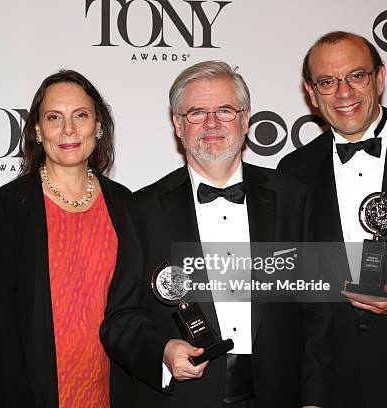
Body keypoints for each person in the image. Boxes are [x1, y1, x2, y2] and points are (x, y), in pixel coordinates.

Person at [100, 61, 329, 408]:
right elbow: (120, 319)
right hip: (184, 399)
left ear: (246, 118)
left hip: (277, 395)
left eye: (224, 109)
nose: (211, 123)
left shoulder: (294, 198)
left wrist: (313, 400)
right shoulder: (140, 210)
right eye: (196, 113)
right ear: (178, 124)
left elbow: (318, 313)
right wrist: (162, 351)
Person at [279, 31, 387, 407]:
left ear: (380, 78)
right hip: (334, 388)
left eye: (356, 76)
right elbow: (302, 302)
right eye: (328, 81)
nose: (343, 92)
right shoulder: (294, 172)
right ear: (311, 93)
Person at [0, 70, 131, 408]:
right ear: (37, 129)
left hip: (108, 391)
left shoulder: (126, 205)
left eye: (81, 116)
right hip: (27, 395)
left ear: (98, 125)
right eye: (54, 118)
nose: (69, 130)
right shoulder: (7, 209)